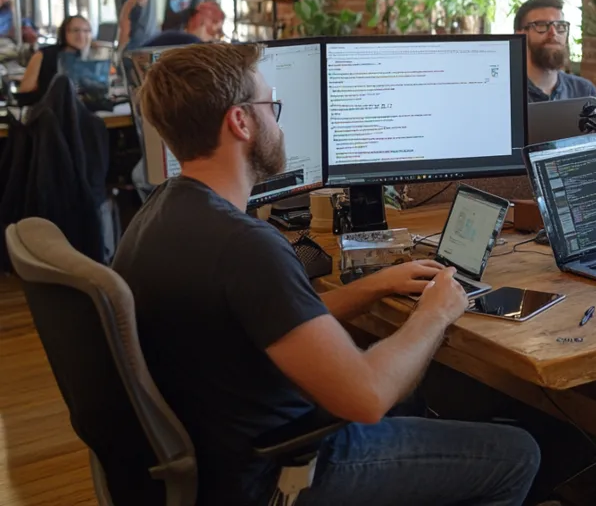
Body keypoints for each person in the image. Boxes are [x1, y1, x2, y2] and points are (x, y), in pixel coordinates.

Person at [114, 44, 539, 506]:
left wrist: (373, 285)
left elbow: (279, 322)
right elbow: (367, 397)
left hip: (218, 453)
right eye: (270, 107)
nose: (278, 123)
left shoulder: (162, 211)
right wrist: (435, 314)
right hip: (277, 473)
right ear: (240, 122)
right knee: (517, 453)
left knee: (420, 398)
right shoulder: (244, 246)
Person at [514, 0, 596, 102]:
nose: (553, 33)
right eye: (541, 25)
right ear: (520, 35)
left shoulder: (584, 91)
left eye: (560, 26)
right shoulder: (505, 93)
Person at [16, 15, 92, 105]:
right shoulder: (44, 55)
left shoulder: (93, 57)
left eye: (86, 31)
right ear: (64, 33)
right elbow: (24, 93)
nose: (81, 35)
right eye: (75, 30)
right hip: (53, 112)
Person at [145, 1, 226, 47]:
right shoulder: (190, 40)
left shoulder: (175, 33)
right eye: (212, 32)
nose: (213, 37)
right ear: (203, 21)